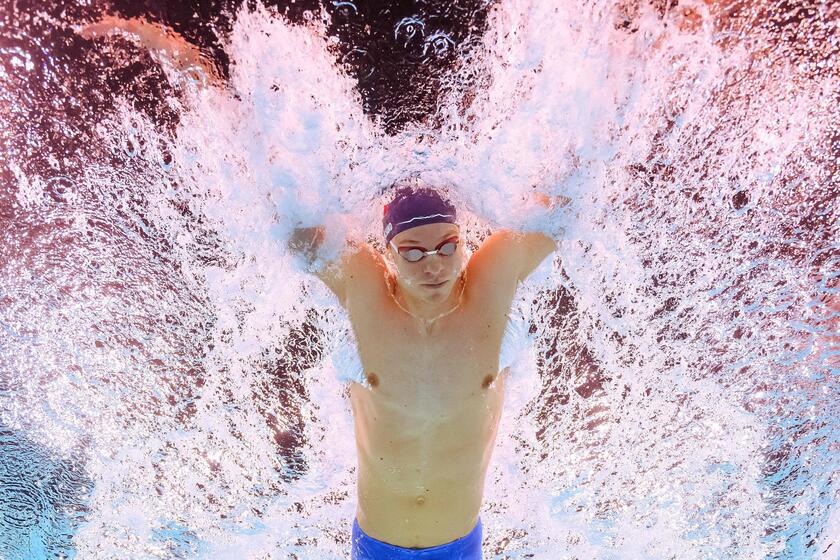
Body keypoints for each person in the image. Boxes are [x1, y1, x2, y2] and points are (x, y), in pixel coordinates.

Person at [289, 183, 563, 558]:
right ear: (391, 255)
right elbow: (292, 230)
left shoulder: (490, 285)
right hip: (376, 546)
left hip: (459, 546)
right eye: (413, 253)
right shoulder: (366, 287)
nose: (434, 265)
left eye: (448, 246)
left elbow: (566, 207)